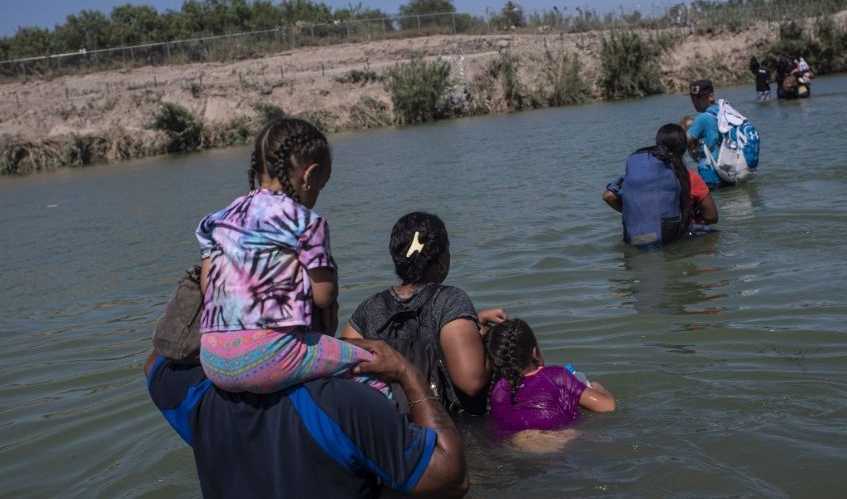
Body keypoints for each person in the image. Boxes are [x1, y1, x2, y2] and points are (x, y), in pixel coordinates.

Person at [196, 118, 387, 396]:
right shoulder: (306, 222)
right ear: (310, 176)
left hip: (212, 360)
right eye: (322, 186)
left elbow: (207, 287)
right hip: (269, 356)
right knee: (377, 368)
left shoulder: (216, 220)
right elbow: (324, 296)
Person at [144, 339, 469, 498]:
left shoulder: (200, 393)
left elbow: (158, 358)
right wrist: (406, 374)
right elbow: (453, 480)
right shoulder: (342, 403)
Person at [343, 212, 507, 415]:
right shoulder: (450, 301)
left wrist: (474, 321)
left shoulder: (368, 309)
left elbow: (344, 369)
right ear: (440, 261)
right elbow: (471, 382)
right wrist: (489, 336)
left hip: (392, 430)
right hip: (447, 432)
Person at [485, 318, 615, 434]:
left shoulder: (497, 391)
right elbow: (607, 407)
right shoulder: (556, 376)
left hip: (513, 448)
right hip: (557, 440)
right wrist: (599, 388)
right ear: (534, 352)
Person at [602, 123, 717, 247]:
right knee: (714, 237)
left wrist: (641, 214)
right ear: (684, 149)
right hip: (674, 239)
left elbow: (609, 196)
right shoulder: (691, 177)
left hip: (637, 238)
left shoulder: (635, 175)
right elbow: (712, 217)